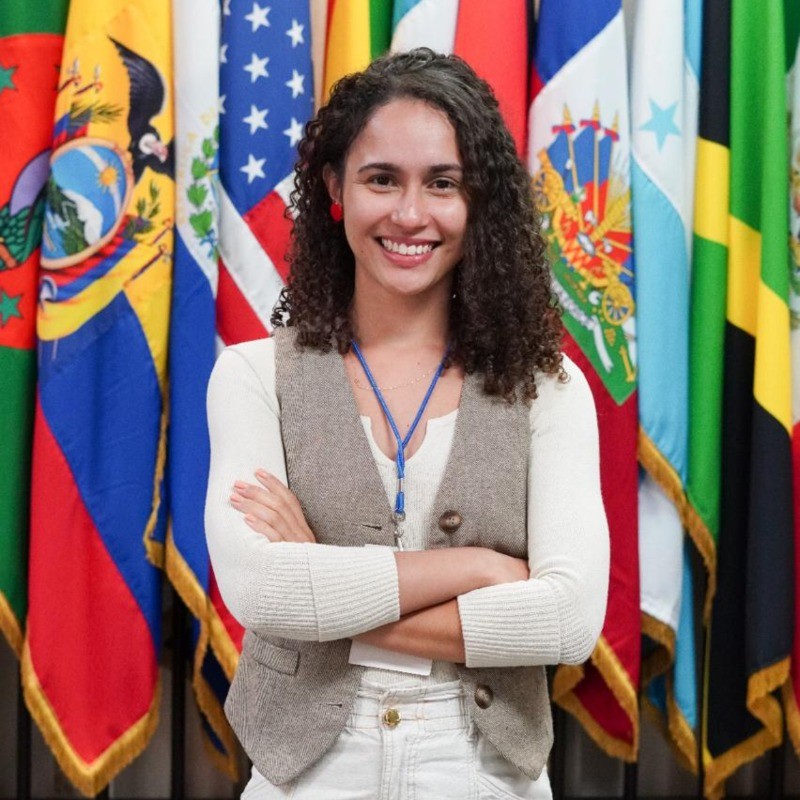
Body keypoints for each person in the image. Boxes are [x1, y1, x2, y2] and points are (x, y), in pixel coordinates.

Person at [205, 48, 609, 800]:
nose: (410, 214)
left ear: (477, 200)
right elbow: (260, 591)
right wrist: (478, 568)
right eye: (382, 179)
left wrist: (321, 586)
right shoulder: (254, 376)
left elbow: (569, 621)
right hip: (306, 776)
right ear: (335, 187)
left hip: (484, 771)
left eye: (443, 183)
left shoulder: (548, 388)